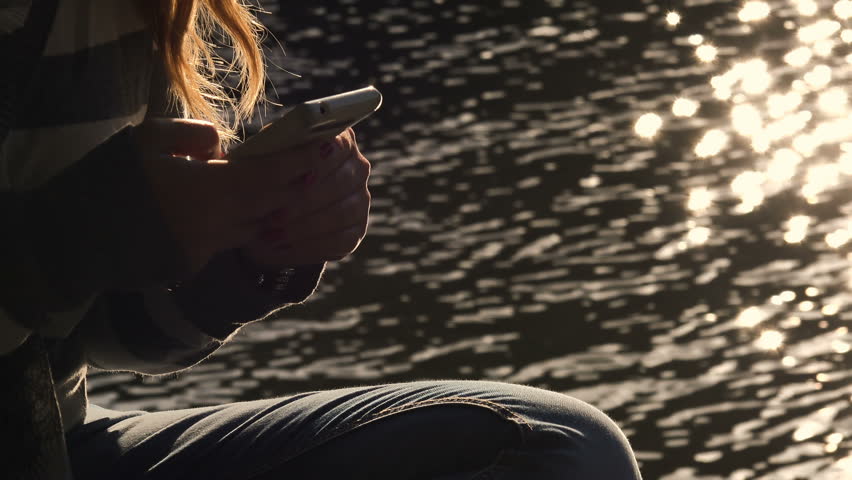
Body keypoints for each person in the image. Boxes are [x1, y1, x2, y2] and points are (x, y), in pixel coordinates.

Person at [0, 1, 643, 479]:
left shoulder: (136, 12)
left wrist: (249, 254)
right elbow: (62, 254)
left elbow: (85, 330)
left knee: (559, 448)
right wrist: (73, 237)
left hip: (60, 443)